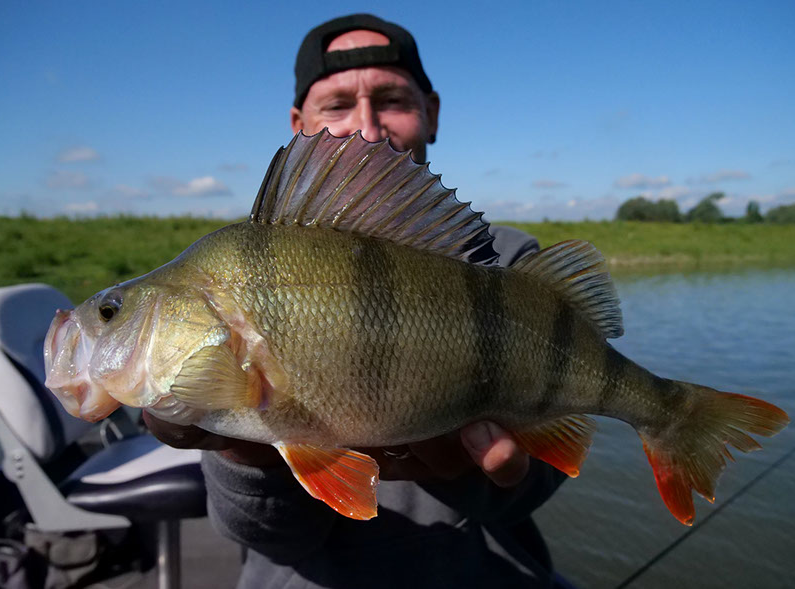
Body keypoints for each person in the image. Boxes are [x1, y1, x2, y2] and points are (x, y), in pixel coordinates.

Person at [145, 13, 568, 588]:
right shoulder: (237, 271)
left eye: (392, 100)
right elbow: (266, 539)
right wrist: (248, 454)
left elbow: (539, 481)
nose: (367, 129)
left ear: (431, 113)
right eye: (337, 105)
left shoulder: (505, 267)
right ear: (299, 124)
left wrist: (471, 477)